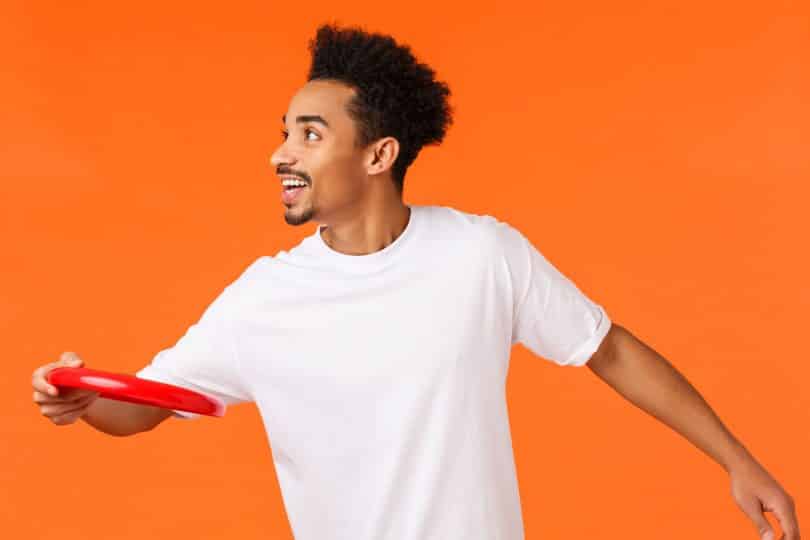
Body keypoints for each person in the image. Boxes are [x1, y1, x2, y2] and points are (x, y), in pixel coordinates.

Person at [31, 23, 800, 540]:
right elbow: (146, 408)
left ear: (378, 155)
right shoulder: (263, 298)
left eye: (310, 132)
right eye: (282, 132)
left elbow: (610, 350)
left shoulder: (482, 255)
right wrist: (83, 398)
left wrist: (737, 460)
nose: (279, 154)